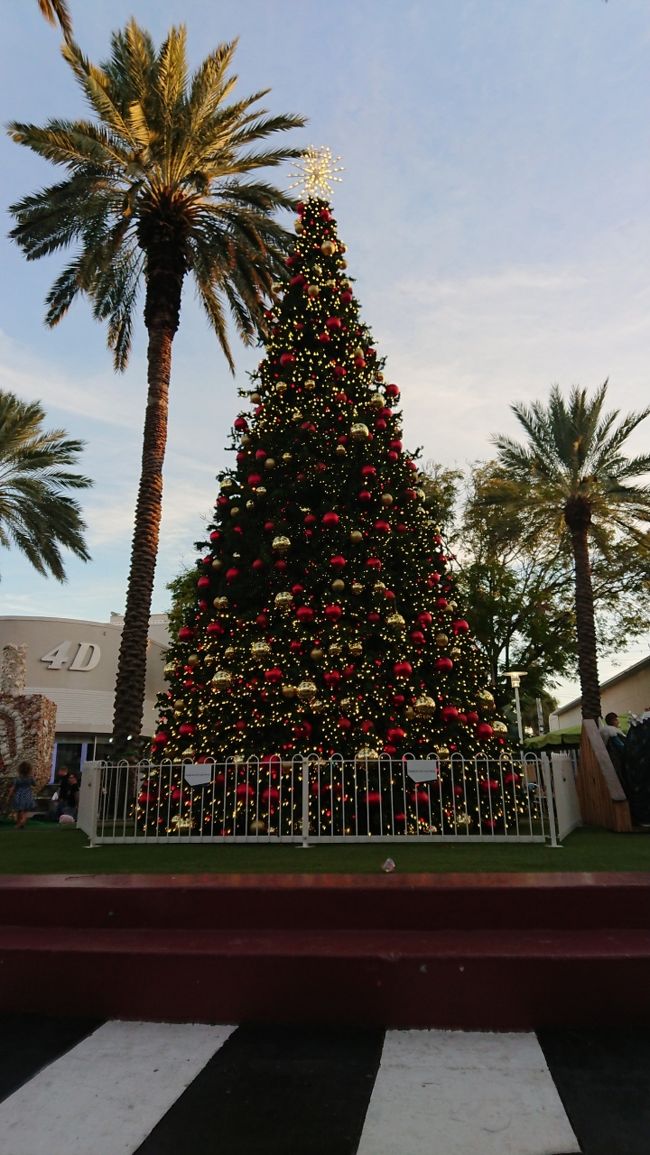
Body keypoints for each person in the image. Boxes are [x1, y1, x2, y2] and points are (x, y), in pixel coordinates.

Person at [7, 761, 36, 829]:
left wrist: (9, 796)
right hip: (28, 795)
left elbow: (13, 788)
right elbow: (34, 784)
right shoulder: (30, 778)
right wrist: (34, 777)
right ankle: (23, 821)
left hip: (19, 795)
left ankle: (19, 823)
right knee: (25, 811)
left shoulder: (17, 778)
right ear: (29, 769)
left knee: (19, 810)